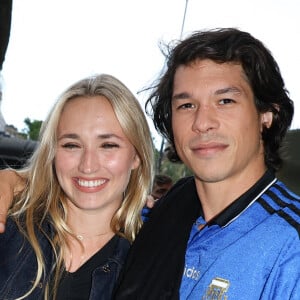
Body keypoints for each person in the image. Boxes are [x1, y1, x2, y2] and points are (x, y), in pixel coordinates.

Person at [113, 28, 300, 299]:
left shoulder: (289, 247)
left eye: (225, 101)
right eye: (186, 105)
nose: (202, 123)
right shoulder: (160, 217)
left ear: (267, 114)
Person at [0, 73, 154, 299]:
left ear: (136, 156)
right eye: (72, 145)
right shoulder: (10, 231)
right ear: (52, 153)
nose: (88, 165)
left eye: (108, 145)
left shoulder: (153, 259)